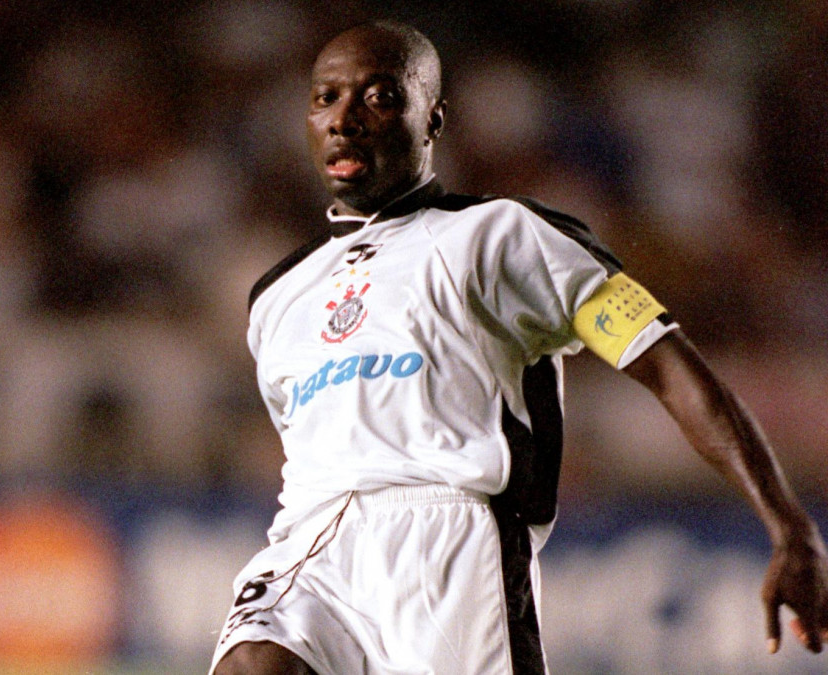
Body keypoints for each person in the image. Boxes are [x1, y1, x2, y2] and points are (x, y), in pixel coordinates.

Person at [210, 20, 828, 675]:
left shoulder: (505, 235)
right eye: (325, 98)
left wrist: (790, 526)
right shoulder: (277, 296)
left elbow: (668, 365)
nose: (344, 119)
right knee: (254, 660)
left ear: (434, 119)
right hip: (308, 547)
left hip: (448, 551)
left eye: (380, 97)